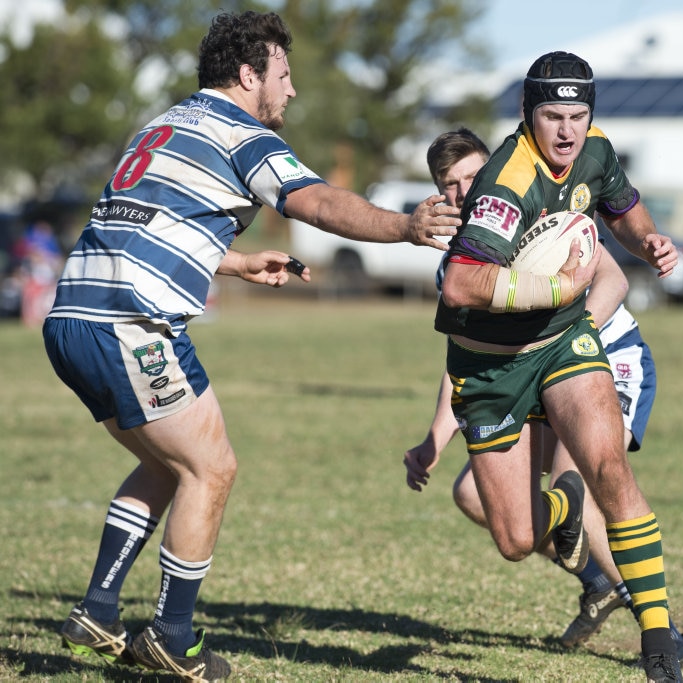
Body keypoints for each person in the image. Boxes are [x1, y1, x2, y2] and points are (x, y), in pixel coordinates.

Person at [43, 11, 459, 681]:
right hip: (132, 322)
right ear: (248, 75)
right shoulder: (244, 135)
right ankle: (173, 637)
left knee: (165, 464)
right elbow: (318, 203)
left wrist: (237, 264)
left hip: (72, 316)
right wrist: (405, 225)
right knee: (211, 468)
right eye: (284, 76)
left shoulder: (163, 124)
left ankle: (97, 609)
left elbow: (148, 224)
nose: (291, 91)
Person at [427, 53, 683, 682]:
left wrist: (648, 237)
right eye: (552, 116)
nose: (567, 130)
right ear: (525, 115)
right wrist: (559, 287)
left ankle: (658, 644)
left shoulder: (594, 150)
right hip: (492, 371)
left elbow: (623, 206)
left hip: (565, 340)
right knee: (516, 538)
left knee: (608, 471)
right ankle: (564, 516)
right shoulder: (506, 184)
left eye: (578, 114)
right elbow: (461, 284)